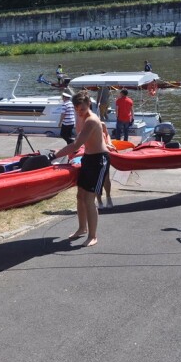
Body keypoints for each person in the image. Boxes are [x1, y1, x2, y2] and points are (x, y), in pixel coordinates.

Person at [51, 90, 110, 248]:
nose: (79, 112)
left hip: (99, 160)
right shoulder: (81, 117)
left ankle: (93, 236)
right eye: (77, 109)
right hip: (88, 158)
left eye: (82, 109)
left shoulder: (91, 120)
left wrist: (55, 155)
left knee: (89, 200)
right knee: (80, 196)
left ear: (89, 104)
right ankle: (82, 228)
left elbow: (76, 144)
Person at [96, 122, 115, 209]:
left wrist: (109, 143)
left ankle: (108, 197)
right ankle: (99, 200)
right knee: (96, 179)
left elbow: (107, 135)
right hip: (94, 154)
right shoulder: (85, 125)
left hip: (104, 153)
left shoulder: (101, 124)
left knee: (106, 178)